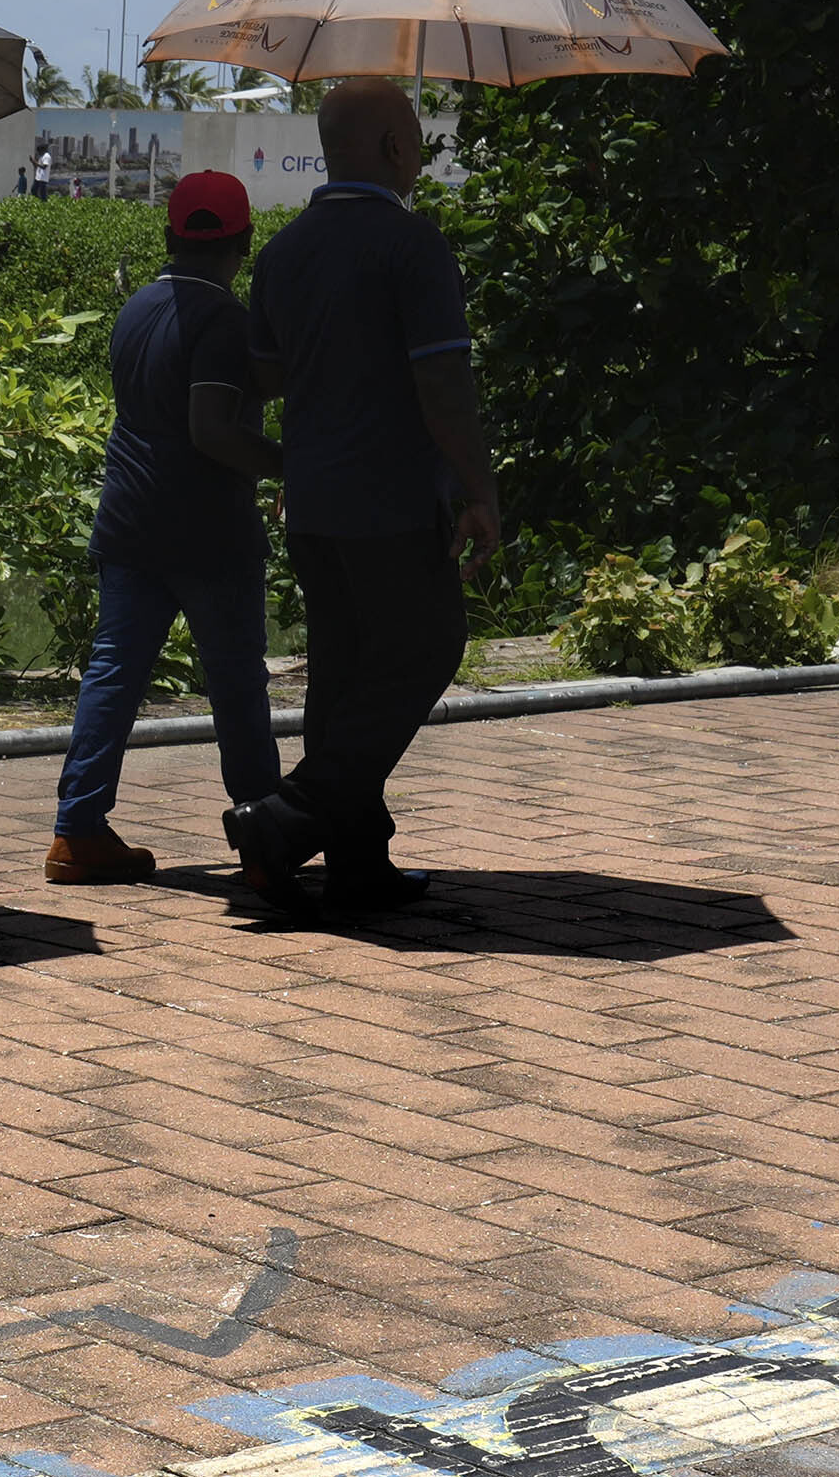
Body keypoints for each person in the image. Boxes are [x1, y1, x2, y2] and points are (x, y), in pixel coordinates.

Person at [233, 80, 502, 918]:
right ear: (393, 148)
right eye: (415, 135)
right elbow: (444, 384)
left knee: (343, 676)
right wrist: (480, 488)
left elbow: (266, 374)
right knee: (427, 647)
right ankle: (287, 818)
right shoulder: (412, 245)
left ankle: (357, 861)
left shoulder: (283, 253)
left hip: (312, 501)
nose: (419, 150)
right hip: (389, 498)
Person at [48, 169, 289, 886]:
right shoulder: (223, 321)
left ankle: (77, 832)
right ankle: (262, 832)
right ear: (245, 240)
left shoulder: (136, 309)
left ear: (168, 237)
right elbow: (212, 430)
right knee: (238, 684)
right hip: (208, 532)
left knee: (113, 675)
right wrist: (289, 464)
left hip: (129, 522)